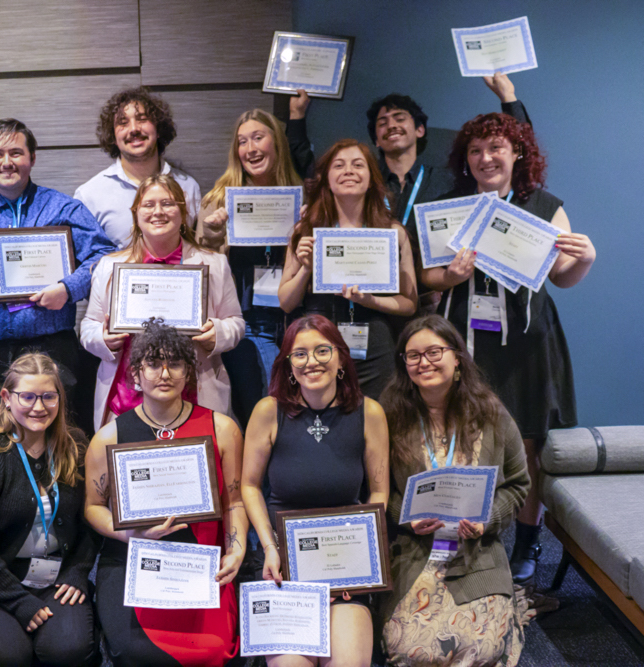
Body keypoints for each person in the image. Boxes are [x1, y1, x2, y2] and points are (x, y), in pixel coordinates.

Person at [420, 112, 595, 584]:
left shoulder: (544, 206)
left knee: (528, 445)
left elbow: (563, 276)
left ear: (517, 153)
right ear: (466, 159)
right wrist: (449, 276)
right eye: (476, 150)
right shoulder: (448, 206)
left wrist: (586, 259)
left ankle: (527, 541)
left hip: (527, 344)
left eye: (496, 147)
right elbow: (424, 276)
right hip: (465, 342)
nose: (486, 158)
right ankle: (465, 539)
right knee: (460, 440)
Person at [0, 119, 115, 434]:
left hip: (50, 347)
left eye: (16, 153)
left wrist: (68, 289)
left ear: (32, 157)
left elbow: (104, 257)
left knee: (55, 438)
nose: (7, 162)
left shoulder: (64, 209)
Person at [84, 319, 246, 667]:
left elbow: (234, 501)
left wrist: (236, 551)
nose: (165, 373)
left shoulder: (223, 429)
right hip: (133, 557)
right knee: (134, 652)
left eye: (175, 363)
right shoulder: (109, 436)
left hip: (202, 562)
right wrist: (132, 534)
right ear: (135, 374)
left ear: (188, 373)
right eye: (154, 363)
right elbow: (93, 507)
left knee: (212, 650)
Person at [379, 315, 531, 666]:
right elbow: (376, 490)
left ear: (457, 358)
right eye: (413, 355)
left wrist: (486, 520)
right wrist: (407, 518)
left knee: (478, 651)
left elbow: (518, 484)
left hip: (477, 553)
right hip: (416, 552)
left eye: (434, 352)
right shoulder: (389, 416)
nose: (424, 362)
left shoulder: (491, 414)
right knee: (411, 651)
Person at [241, 314, 389, 667]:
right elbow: (249, 486)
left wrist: (362, 563)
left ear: (340, 358)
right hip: (281, 566)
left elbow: (379, 493)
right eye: (300, 354)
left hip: (345, 568)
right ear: (289, 365)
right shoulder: (268, 411)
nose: (312, 361)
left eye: (322, 350)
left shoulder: (370, 412)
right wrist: (269, 548)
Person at [0, 352, 98, 667]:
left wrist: (78, 571)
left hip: (56, 577)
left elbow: (90, 519)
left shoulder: (75, 445)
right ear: (7, 398)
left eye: (48, 396)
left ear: (60, 398)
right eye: (27, 396)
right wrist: (17, 601)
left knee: (69, 653)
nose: (39, 407)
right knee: (6, 658)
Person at [80, 175, 244, 432]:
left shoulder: (214, 264)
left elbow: (236, 322)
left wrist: (218, 333)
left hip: (195, 395)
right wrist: (103, 338)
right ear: (136, 214)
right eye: (148, 205)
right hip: (127, 398)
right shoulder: (109, 266)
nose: (158, 212)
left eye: (167, 204)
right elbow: (89, 326)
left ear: (183, 212)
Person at [366, 75, 531, 313]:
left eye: (400, 118)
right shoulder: (365, 185)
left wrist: (508, 98)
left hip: (433, 300)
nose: (391, 125)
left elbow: (519, 156)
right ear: (376, 140)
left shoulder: (448, 181)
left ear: (420, 130)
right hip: (375, 299)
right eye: (382, 122)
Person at [278, 139, 418, 399]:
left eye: (358, 165)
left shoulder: (392, 233)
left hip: (375, 346)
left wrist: (371, 300)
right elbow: (286, 303)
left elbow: (409, 304)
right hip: (318, 343)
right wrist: (306, 270)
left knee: (378, 417)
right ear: (326, 179)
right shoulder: (305, 230)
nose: (349, 171)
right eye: (339, 165)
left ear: (371, 178)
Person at [193, 108, 304, 430]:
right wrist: (214, 235)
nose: (251, 149)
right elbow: (199, 266)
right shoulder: (219, 199)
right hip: (247, 325)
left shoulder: (301, 197)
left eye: (258, 138)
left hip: (294, 320)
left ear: (277, 143)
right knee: (265, 412)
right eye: (242, 142)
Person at [75, 86, 201, 248]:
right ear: (112, 136)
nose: (134, 129)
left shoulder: (188, 187)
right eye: (123, 123)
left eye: (142, 119)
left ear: (158, 129)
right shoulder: (89, 196)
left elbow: (197, 251)